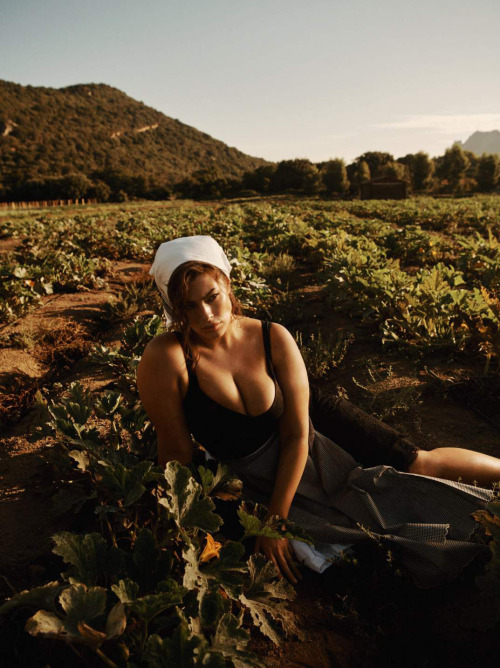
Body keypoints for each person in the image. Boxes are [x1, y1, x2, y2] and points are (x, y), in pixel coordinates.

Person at [138, 235, 498, 588]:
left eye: (211, 297)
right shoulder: (168, 358)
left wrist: (274, 522)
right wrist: (177, 529)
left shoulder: (271, 336)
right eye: (188, 306)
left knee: (415, 464)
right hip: (254, 465)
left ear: (226, 283)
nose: (205, 314)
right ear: (174, 307)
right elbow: (175, 455)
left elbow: (296, 434)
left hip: (314, 425)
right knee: (361, 539)